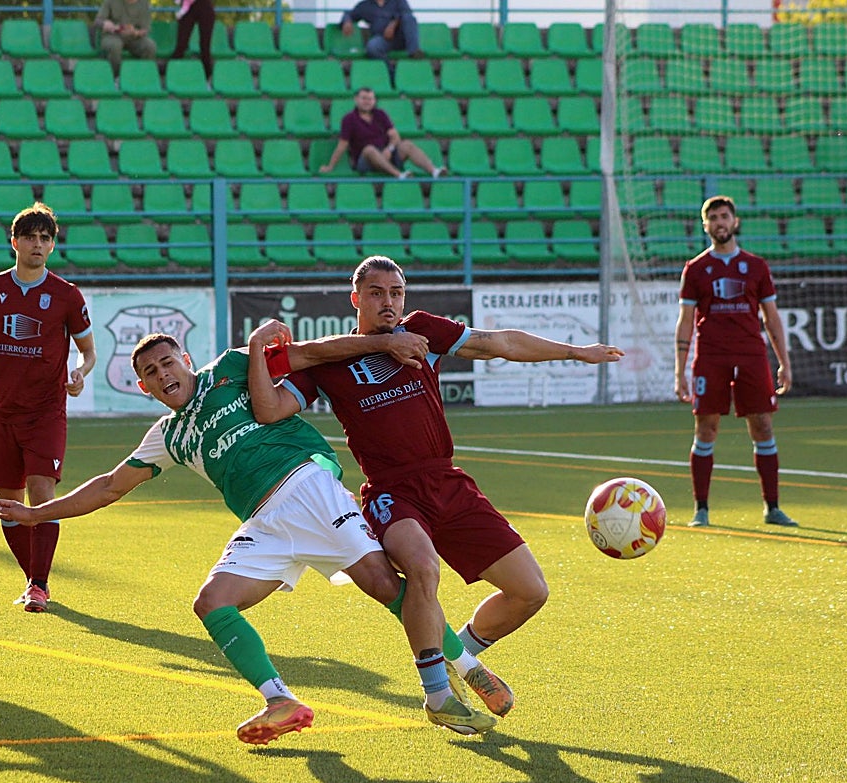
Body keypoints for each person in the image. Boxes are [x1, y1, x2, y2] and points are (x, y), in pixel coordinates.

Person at [0, 330, 500, 745]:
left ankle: (465, 667)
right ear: (143, 387)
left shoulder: (231, 367)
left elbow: (313, 353)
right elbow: (109, 486)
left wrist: (384, 342)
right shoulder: (167, 435)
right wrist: (36, 514)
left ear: (186, 360)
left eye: (168, 363)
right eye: (151, 373)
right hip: (264, 521)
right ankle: (280, 699)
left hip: (307, 487)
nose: (163, 374)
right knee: (212, 603)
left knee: (386, 587)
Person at [248, 256, 624, 709]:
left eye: (396, 293)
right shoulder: (328, 359)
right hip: (392, 492)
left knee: (530, 591)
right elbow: (269, 409)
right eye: (376, 293)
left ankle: (457, 656)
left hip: (447, 482)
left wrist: (576, 352)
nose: (388, 302)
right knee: (423, 569)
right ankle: (438, 695)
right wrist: (257, 349)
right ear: (355, 299)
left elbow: (499, 343)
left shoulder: (421, 331)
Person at [0, 203, 96, 614]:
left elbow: (88, 352)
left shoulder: (66, 295)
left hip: (46, 411)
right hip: (1, 412)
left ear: (53, 245)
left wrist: (79, 372)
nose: (37, 244)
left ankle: (38, 585)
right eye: (30, 237)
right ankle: (33, 578)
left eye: (45, 238)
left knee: (41, 495)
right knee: (8, 503)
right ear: (14, 242)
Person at [673, 196, 798, 528]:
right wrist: (679, 370)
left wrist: (784, 362)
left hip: (751, 355)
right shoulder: (695, 269)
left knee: (763, 425)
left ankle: (772, 507)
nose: (720, 223)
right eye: (713, 218)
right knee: (706, 428)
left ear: (735, 221)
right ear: (705, 226)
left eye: (724, 216)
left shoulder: (756, 266)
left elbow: (771, 318)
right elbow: (685, 321)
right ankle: (701, 509)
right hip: (711, 356)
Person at [320, 87, 443, 179]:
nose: (367, 102)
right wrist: (330, 166)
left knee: (407, 145)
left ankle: (434, 171)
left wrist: (389, 149)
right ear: (356, 99)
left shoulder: (381, 114)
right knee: (369, 149)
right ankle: (399, 175)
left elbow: (395, 136)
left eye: (370, 99)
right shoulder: (349, 119)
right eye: (364, 98)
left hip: (386, 154)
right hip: (366, 161)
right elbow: (342, 145)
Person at [340, 0, 421, 61]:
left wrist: (393, 24)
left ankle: (414, 53)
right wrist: (347, 21)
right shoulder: (364, 6)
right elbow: (348, 14)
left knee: (409, 18)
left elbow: (406, 14)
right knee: (372, 47)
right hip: (383, 40)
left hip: (402, 37)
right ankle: (391, 70)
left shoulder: (398, 1)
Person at [94, 0, 156, 75]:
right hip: (112, 35)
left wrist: (135, 32)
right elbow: (97, 21)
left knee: (150, 46)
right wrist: (104, 24)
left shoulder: (144, 3)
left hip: (134, 37)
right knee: (115, 45)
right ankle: (115, 76)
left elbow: (145, 29)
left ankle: (143, 75)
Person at [169, 0, 214, 80]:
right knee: (181, 45)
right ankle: (170, 72)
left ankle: (207, 76)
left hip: (205, 6)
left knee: (205, 46)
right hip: (188, 7)